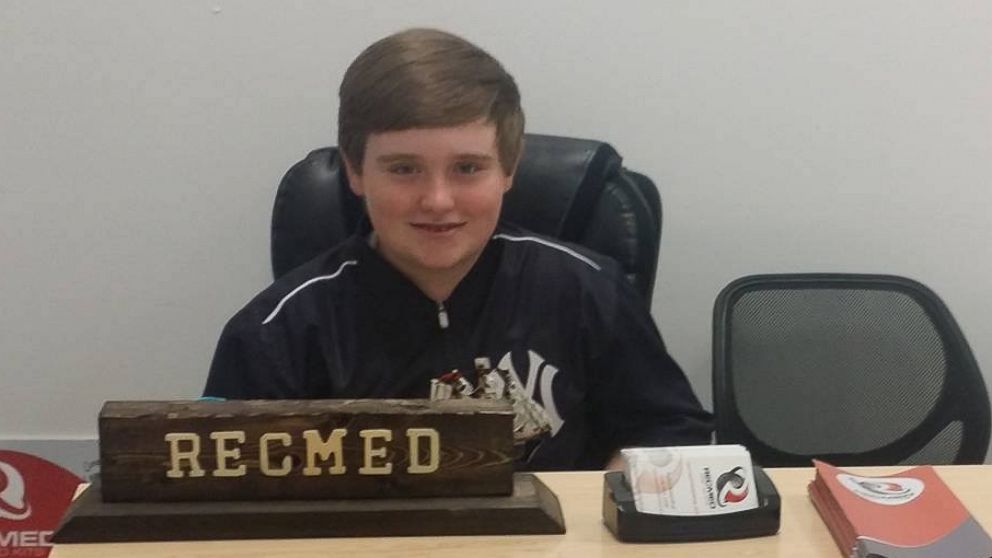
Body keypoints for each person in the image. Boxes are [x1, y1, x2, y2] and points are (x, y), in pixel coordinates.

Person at [204, 28, 712, 470]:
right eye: (404, 169)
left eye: (468, 168)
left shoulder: (586, 289)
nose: (438, 200)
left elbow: (673, 433)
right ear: (356, 172)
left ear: (508, 169)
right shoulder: (274, 334)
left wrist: (611, 495)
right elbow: (219, 485)